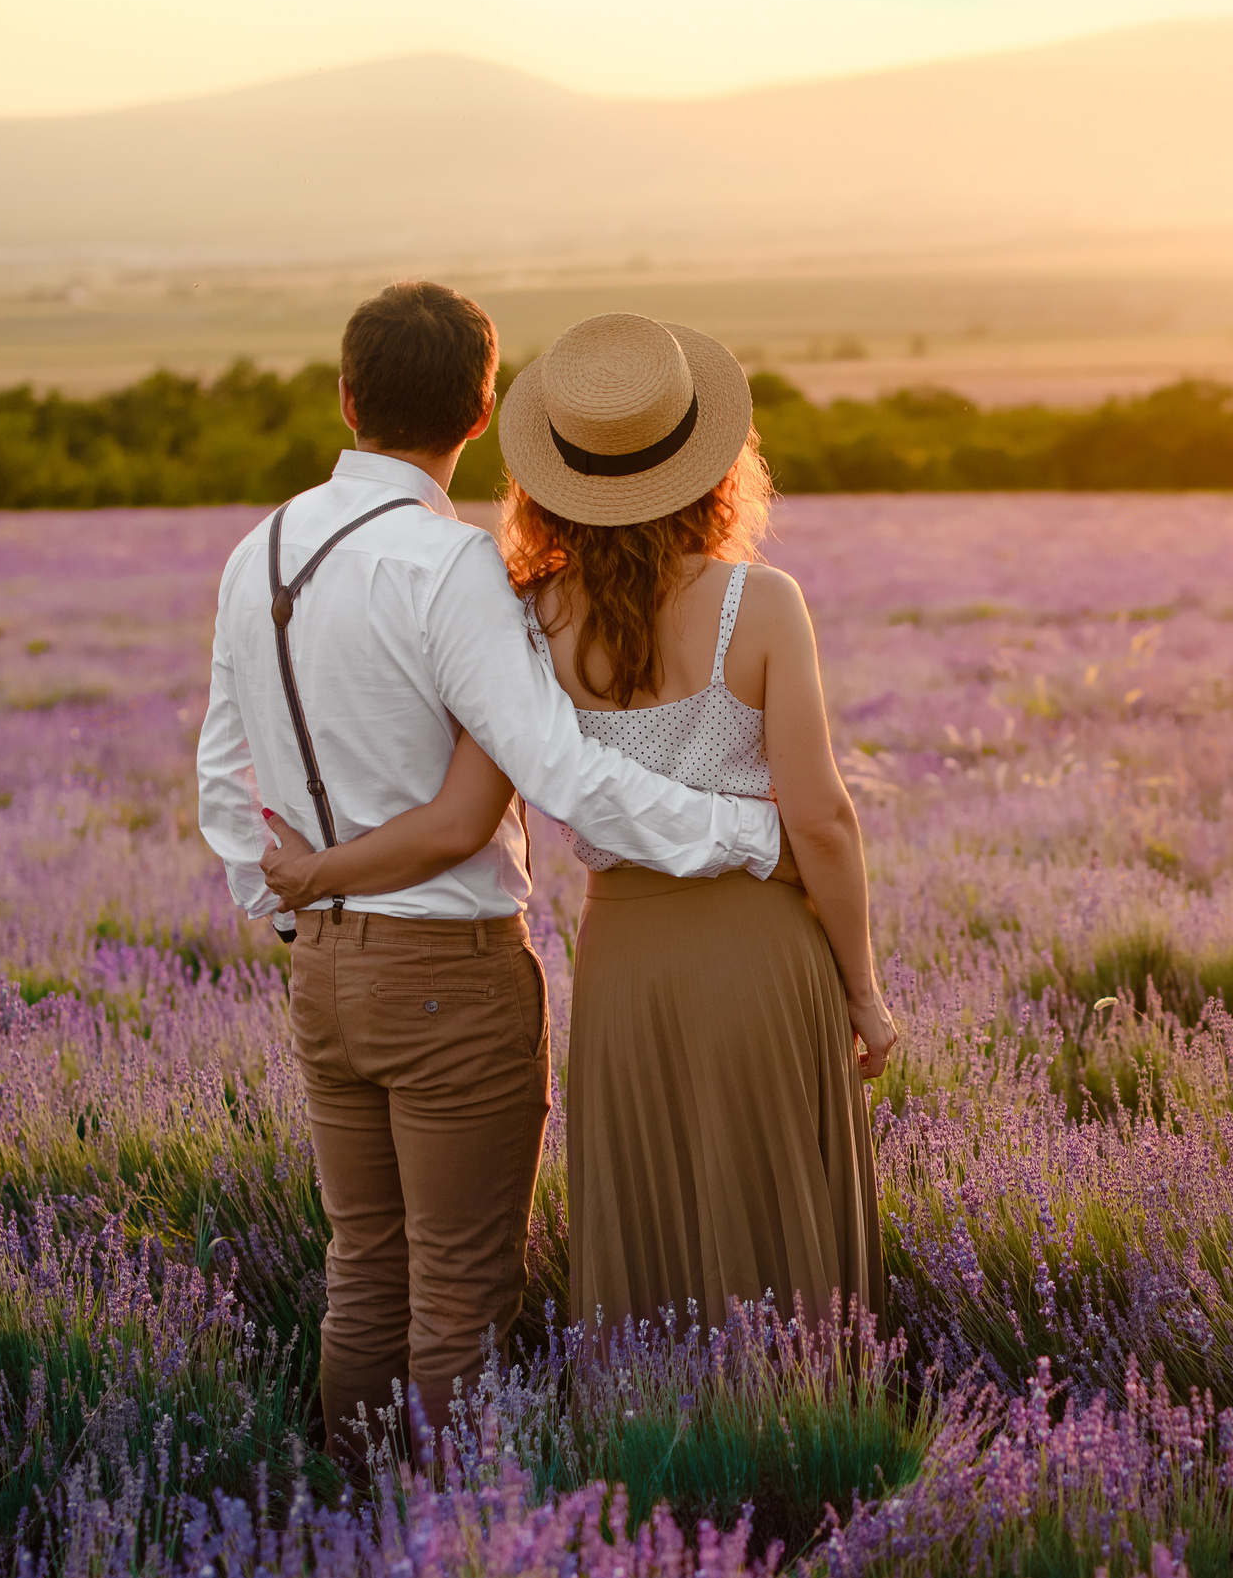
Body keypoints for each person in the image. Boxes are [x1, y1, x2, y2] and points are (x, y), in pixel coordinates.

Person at [195, 284, 784, 1466]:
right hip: (447, 978)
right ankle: (447, 1551)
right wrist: (740, 834)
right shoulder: (451, 566)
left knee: (363, 1272)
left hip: (327, 973)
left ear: (345, 397)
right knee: (461, 1293)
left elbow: (222, 770)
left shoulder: (253, 550)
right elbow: (555, 765)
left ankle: (350, 1531)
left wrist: (287, 897)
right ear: (480, 408)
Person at [261, 311, 894, 1336]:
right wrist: (863, 989)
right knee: (776, 1214)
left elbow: (465, 808)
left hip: (624, 965)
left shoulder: (528, 617)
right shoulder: (763, 604)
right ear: (711, 467)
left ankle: (653, 1441)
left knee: (653, 1219)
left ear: (551, 477)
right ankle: (802, 1434)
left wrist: (318, 868)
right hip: (763, 952)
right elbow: (821, 819)